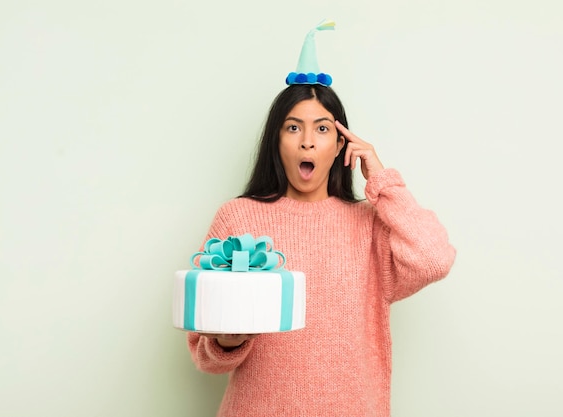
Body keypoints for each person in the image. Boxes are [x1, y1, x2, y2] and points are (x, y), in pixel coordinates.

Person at [185, 82, 456, 416]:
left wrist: (382, 181)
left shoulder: (370, 225)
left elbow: (434, 259)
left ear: (341, 144)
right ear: (277, 140)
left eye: (323, 128)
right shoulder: (238, 217)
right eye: (293, 127)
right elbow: (202, 351)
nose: (307, 141)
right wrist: (228, 341)